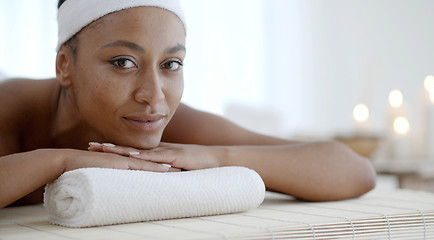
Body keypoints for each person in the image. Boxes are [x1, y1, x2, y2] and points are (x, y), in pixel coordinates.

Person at [0, 0, 376, 209]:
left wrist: (218, 158)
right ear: (65, 65)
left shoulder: (163, 128)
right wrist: (58, 160)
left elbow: (355, 170)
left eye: (171, 65)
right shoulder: (10, 109)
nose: (154, 94)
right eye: (123, 63)